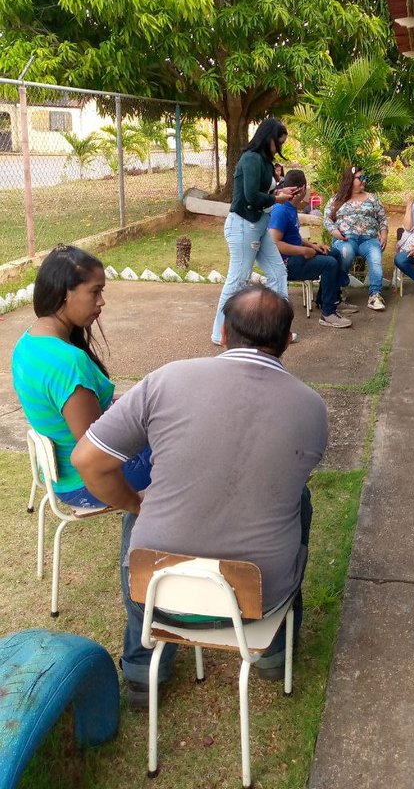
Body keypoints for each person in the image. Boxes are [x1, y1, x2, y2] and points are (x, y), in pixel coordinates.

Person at [72, 285, 327, 706]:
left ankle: (140, 672)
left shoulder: (166, 379)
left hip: (156, 594)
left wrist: (137, 505)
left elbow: (88, 460)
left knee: (141, 517)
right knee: (296, 500)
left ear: (224, 333)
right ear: (286, 342)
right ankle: (273, 657)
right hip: (258, 600)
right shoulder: (312, 407)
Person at [11, 245, 152, 508]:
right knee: (186, 451)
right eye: (95, 292)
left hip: (60, 477)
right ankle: (149, 535)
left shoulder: (28, 343)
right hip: (85, 483)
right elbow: (97, 449)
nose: (102, 301)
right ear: (65, 294)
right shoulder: (69, 363)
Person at [211, 118, 300, 345]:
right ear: (267, 137)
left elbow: (266, 190)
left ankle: (277, 331)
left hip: (259, 224)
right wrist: (277, 198)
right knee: (238, 278)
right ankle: (219, 332)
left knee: (278, 273)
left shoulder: (264, 161)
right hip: (243, 224)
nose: (279, 148)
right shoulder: (250, 159)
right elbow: (251, 195)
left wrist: (281, 190)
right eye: (278, 143)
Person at [269, 169, 356, 329]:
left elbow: (294, 237)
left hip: (296, 256)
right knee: (329, 264)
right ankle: (328, 314)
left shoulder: (291, 207)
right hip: (286, 264)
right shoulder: (281, 210)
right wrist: (304, 251)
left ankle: (329, 301)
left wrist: (313, 246)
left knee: (334, 253)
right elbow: (274, 243)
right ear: (302, 189)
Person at [323, 165, 388, 312]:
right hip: (346, 239)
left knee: (376, 257)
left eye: (365, 178)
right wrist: (334, 232)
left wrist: (383, 235)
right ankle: (339, 290)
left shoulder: (372, 198)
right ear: (350, 180)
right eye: (360, 178)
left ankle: (375, 295)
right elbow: (327, 219)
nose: (364, 181)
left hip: (369, 239)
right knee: (346, 253)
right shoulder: (337, 198)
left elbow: (383, 219)